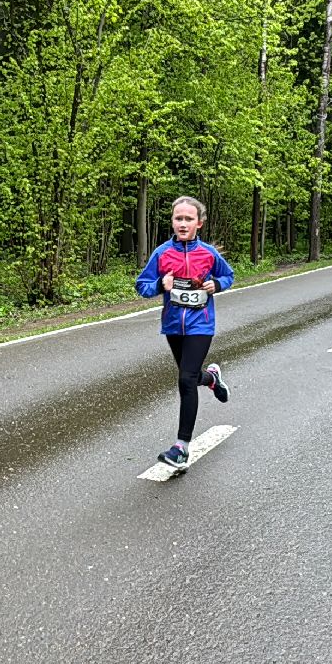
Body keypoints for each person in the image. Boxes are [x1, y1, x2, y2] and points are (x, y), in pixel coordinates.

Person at [135, 195, 235, 471]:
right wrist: (160, 284)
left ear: (199, 223)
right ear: (172, 221)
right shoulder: (162, 253)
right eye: (178, 218)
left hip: (201, 325)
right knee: (189, 375)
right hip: (173, 326)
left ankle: (181, 448)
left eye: (188, 219)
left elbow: (228, 276)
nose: (182, 223)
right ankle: (211, 378)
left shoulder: (208, 254)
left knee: (185, 379)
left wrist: (217, 284)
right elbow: (142, 285)